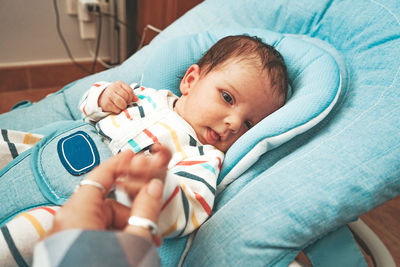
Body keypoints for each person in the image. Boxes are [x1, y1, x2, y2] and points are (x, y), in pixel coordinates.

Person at [0, 35, 288, 265]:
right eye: (227, 97)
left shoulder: (204, 157)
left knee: (29, 234)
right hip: (55, 150)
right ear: (190, 81)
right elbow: (88, 110)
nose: (234, 123)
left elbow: (189, 208)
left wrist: (157, 185)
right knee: (9, 143)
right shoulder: (145, 96)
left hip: (91, 205)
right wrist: (103, 97)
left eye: (250, 124)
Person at [33, 144, 172, 267]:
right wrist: (100, 112)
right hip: (87, 198)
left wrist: (158, 183)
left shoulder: (187, 151)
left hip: (102, 206)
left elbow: (191, 201)